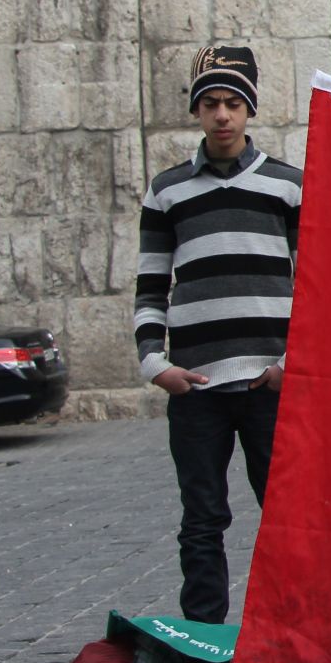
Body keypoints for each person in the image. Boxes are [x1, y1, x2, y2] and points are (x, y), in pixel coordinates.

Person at [135, 46, 302, 623]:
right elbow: (150, 282)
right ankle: (202, 636)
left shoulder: (287, 186)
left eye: (233, 103)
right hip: (197, 385)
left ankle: (286, 630)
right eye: (211, 104)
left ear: (249, 110)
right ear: (197, 112)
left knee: (285, 515)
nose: (223, 115)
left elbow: (317, 287)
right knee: (202, 519)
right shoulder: (168, 191)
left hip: (268, 385)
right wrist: (154, 365)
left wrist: (291, 364)